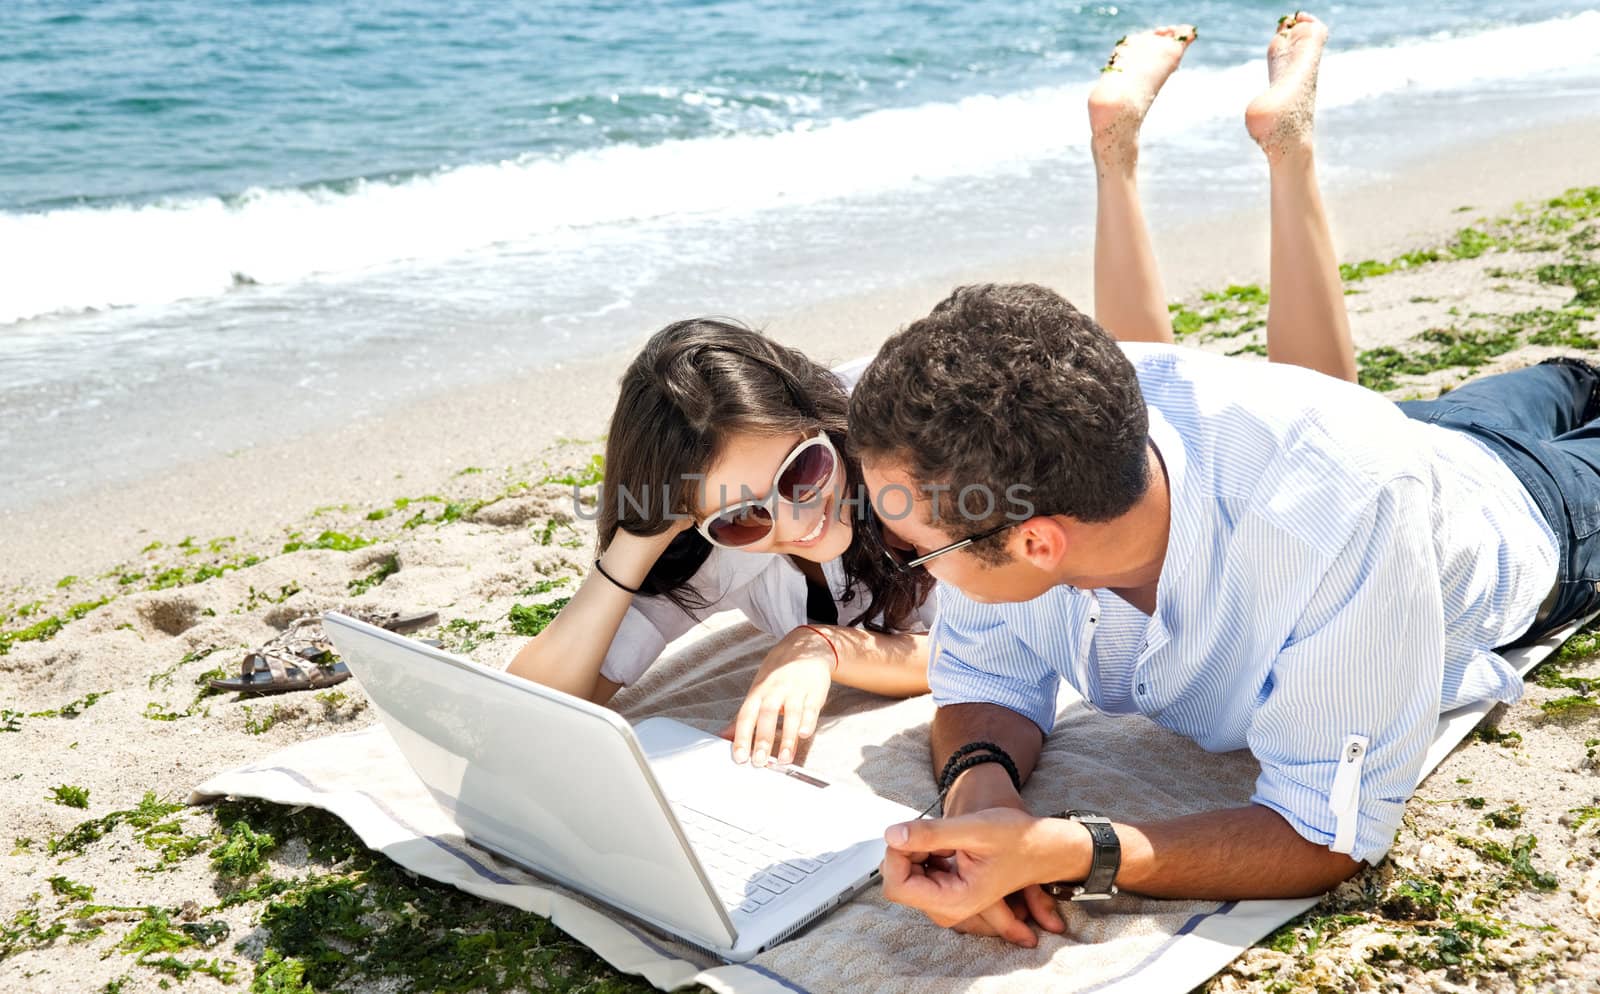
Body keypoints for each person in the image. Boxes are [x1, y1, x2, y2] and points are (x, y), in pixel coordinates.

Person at [846, 13, 1599, 946]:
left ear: (1038, 542)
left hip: (1533, 517)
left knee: (1575, 382)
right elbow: (986, 674)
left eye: (911, 542)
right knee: (1565, 376)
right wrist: (982, 792)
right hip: (1425, 438)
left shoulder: (1331, 510)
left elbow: (1329, 833)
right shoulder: (1023, 462)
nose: (899, 556)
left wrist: (1071, 848)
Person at [506, 15, 1356, 770]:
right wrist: (632, 546)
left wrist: (823, 645)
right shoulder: (710, 542)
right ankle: (1117, 152)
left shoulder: (903, 451)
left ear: (817, 414)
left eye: (802, 475)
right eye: (744, 516)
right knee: (1151, 373)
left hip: (1060, 440)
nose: (795, 521)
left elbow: (985, 636)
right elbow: (535, 709)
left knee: (1323, 415)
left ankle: (1281, 152)